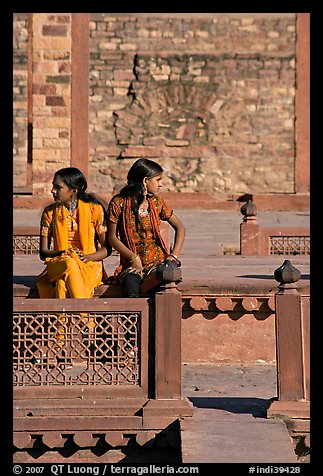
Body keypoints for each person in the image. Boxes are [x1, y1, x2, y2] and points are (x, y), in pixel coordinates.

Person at [107, 158, 185, 297]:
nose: (161, 185)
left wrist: (173, 256)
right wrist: (133, 258)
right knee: (131, 284)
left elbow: (180, 228)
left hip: (157, 263)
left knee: (166, 277)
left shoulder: (156, 203)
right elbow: (112, 237)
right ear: (145, 181)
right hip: (131, 265)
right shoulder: (118, 203)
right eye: (158, 180)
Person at [36, 167, 111, 299]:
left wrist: (87, 257)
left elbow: (107, 249)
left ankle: (63, 320)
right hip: (59, 263)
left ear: (74, 191)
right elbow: (43, 253)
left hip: (90, 265)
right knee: (69, 264)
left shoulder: (95, 210)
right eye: (53, 186)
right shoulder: (49, 213)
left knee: (61, 284)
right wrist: (65, 253)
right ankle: (85, 318)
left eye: (58, 187)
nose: (52, 191)